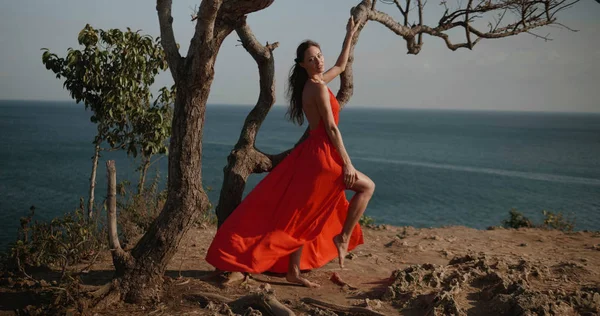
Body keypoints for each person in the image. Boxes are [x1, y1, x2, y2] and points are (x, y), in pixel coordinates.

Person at [206, 17, 375, 288]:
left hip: (313, 154)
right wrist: (347, 164)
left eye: (319, 56)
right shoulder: (317, 88)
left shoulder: (315, 82)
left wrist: (350, 33)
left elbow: (341, 66)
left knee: (303, 215)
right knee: (366, 187)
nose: (319, 61)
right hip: (323, 156)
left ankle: (293, 271)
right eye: (312, 59)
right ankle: (343, 238)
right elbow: (331, 129)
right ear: (302, 65)